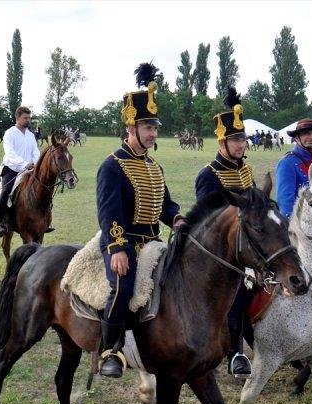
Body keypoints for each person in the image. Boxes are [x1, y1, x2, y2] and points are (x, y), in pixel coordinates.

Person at [96, 62, 185, 378]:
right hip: (122, 244)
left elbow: (165, 204)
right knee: (122, 284)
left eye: (155, 128)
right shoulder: (112, 166)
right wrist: (117, 248)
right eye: (148, 128)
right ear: (131, 128)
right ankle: (111, 350)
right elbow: (109, 213)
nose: (153, 133)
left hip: (153, 243)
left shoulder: (154, 166)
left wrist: (176, 219)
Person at [194, 86, 255, 378]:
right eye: (236, 139)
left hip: (248, 242)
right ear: (222, 141)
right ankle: (235, 353)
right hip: (219, 250)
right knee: (236, 293)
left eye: (243, 138)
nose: (242, 144)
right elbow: (210, 221)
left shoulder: (246, 170)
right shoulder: (209, 175)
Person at [0, 106, 40, 237]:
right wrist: (25, 164)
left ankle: (41, 220)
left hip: (30, 170)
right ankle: (1, 222)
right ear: (17, 118)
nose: (28, 120)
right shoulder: (10, 133)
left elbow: (35, 151)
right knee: (5, 192)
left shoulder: (31, 135)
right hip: (12, 169)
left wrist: (36, 164)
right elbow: (10, 153)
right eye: (25, 118)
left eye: (29, 118)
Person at [275, 118, 312, 217]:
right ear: (296, 137)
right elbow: (285, 201)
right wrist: (291, 227)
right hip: (300, 220)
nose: (311, 137)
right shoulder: (287, 162)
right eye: (306, 133)